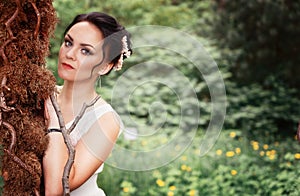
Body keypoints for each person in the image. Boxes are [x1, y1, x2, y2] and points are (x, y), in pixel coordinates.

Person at [43, 12, 132, 195]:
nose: (70, 54)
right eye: (68, 42)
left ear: (105, 66)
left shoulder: (105, 120)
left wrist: (52, 114)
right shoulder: (41, 95)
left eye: (86, 51)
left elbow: (57, 188)